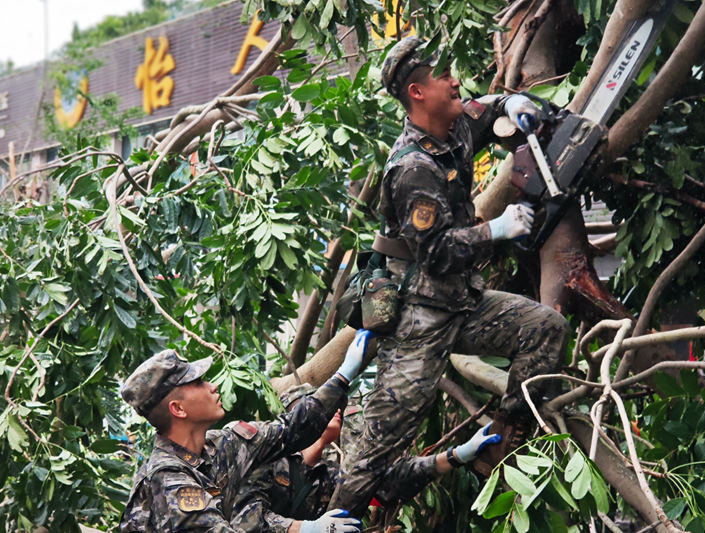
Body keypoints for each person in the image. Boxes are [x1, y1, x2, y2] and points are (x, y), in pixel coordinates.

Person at [328, 36, 570, 516]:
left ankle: (502, 444)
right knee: (373, 454)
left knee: (546, 328)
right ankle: (332, 524)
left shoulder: (454, 126)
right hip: (418, 321)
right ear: (417, 93)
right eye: (443, 77)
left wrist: (511, 103)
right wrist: (495, 230)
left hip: (462, 303)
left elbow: (486, 108)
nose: (455, 81)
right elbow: (437, 253)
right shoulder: (411, 166)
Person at [119, 330, 372, 533]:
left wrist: (342, 377)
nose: (212, 386)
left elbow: (290, 430)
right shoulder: (168, 479)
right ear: (178, 408)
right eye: (197, 383)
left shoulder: (223, 445)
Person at [231, 382, 502, 529]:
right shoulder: (266, 463)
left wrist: (457, 456)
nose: (336, 409)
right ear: (303, 421)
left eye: (337, 404)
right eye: (322, 405)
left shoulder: (330, 476)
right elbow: (246, 522)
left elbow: (392, 482)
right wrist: (308, 529)